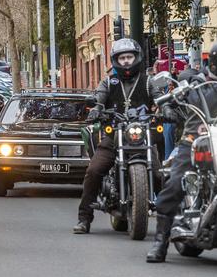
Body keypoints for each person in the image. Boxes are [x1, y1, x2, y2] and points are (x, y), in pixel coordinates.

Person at [146, 38, 217, 263]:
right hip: (196, 139)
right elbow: (204, 103)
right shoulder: (198, 82)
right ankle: (160, 241)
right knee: (176, 181)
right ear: (216, 63)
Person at [73, 38, 171, 234]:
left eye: (129, 57)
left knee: (161, 175)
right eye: (122, 58)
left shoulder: (148, 81)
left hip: (142, 138)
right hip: (114, 137)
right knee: (94, 170)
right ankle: (84, 219)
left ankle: (172, 222)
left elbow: (160, 97)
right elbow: (99, 100)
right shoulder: (109, 82)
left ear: (137, 58)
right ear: (116, 60)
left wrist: (167, 108)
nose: (126, 61)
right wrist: (96, 110)